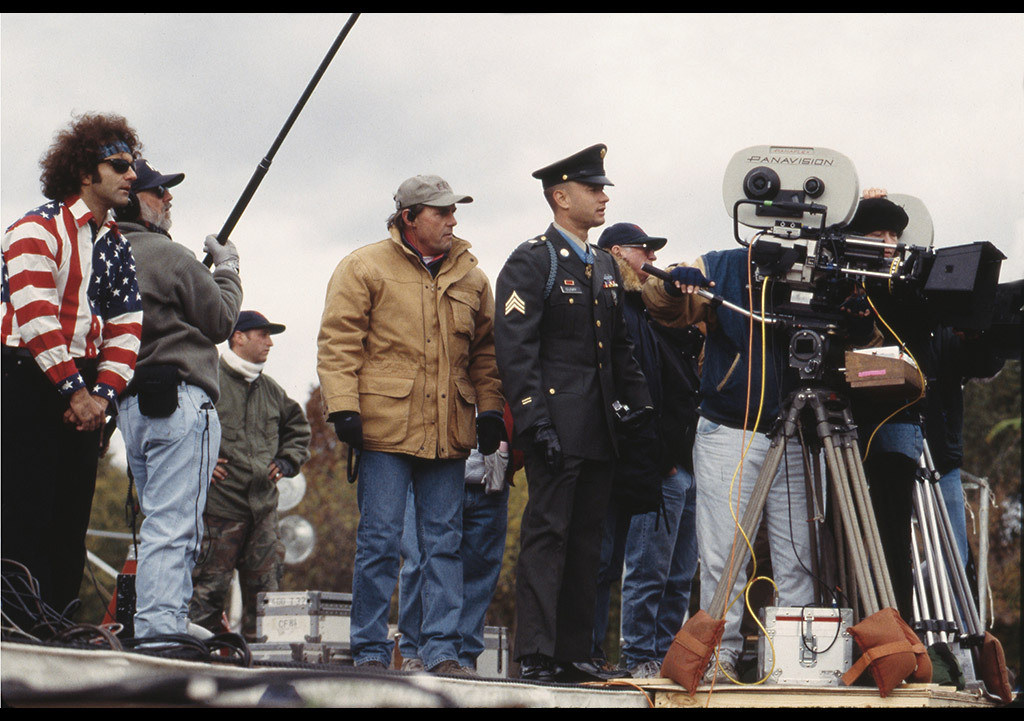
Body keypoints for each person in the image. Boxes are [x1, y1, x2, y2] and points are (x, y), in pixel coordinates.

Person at [316, 174, 504, 676]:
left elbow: (485, 354)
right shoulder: (362, 265)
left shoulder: (473, 278)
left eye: (453, 211)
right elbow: (338, 342)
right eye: (441, 212)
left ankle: (442, 651)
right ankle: (371, 651)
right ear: (409, 217)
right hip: (381, 431)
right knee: (378, 543)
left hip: (448, 433)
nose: (452, 220)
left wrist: (489, 410)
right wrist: (342, 408)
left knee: (445, 544)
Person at [493, 145, 653, 682]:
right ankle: (536, 651)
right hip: (556, 424)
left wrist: (640, 411)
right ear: (561, 197)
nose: (604, 197)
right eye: (593, 189)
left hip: (601, 426)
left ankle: (574, 649)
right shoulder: (532, 260)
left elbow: (622, 348)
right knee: (548, 534)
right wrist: (534, 420)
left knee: (589, 542)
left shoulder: (604, 264)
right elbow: (516, 350)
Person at [640, 246, 819, 683]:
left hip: (800, 431)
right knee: (724, 558)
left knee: (799, 557)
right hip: (730, 428)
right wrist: (672, 283)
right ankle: (718, 660)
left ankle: (793, 666)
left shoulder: (822, 261)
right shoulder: (721, 265)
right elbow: (665, 305)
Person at [2, 113, 143, 622]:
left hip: (84, 387)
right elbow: (36, 316)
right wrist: (74, 392)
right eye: (119, 165)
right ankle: (18, 628)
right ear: (86, 172)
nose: (132, 175)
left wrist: (102, 396)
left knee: (69, 521)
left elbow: (129, 323)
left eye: (133, 166)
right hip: (25, 378)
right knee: (24, 511)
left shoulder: (118, 245)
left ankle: (60, 625)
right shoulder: (32, 230)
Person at [115, 158, 243, 640]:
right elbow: (221, 321)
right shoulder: (167, 254)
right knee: (177, 527)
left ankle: (157, 621)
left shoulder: (104, 251)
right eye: (158, 192)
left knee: (158, 525)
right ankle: (160, 631)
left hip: (131, 406)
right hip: (181, 402)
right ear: (134, 200)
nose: (168, 199)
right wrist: (227, 268)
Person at [590, 223, 703, 679]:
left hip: (686, 460)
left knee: (678, 574)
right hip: (658, 462)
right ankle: (638, 656)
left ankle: (661, 654)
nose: (651, 261)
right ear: (617, 252)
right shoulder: (616, 305)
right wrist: (660, 457)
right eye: (644, 252)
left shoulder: (649, 310)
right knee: (645, 568)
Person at [189, 310, 311, 640]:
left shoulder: (272, 391)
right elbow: (182, 424)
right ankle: (196, 666)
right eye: (263, 335)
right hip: (219, 510)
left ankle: (263, 673)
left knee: (268, 600)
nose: (270, 343)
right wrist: (200, 459)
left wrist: (288, 460)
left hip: (263, 513)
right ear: (238, 337)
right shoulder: (207, 379)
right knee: (206, 595)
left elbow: (298, 430)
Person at [397, 436, 512, 674]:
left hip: (492, 474)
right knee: (419, 563)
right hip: (431, 468)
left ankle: (462, 657)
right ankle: (414, 653)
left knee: (480, 572)